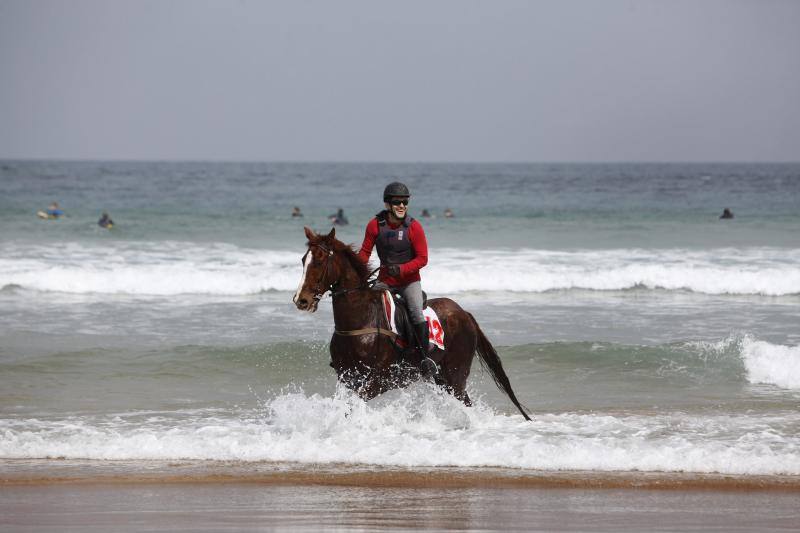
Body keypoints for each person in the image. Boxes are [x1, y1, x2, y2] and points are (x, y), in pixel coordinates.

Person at [358, 182, 435, 376]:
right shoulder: (374, 225)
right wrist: (356, 273)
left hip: (409, 282)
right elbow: (365, 253)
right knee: (363, 306)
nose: (401, 205)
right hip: (385, 281)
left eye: (405, 202)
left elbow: (423, 259)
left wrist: (401, 270)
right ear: (387, 205)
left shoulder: (414, 227)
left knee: (416, 312)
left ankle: (425, 359)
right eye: (397, 202)